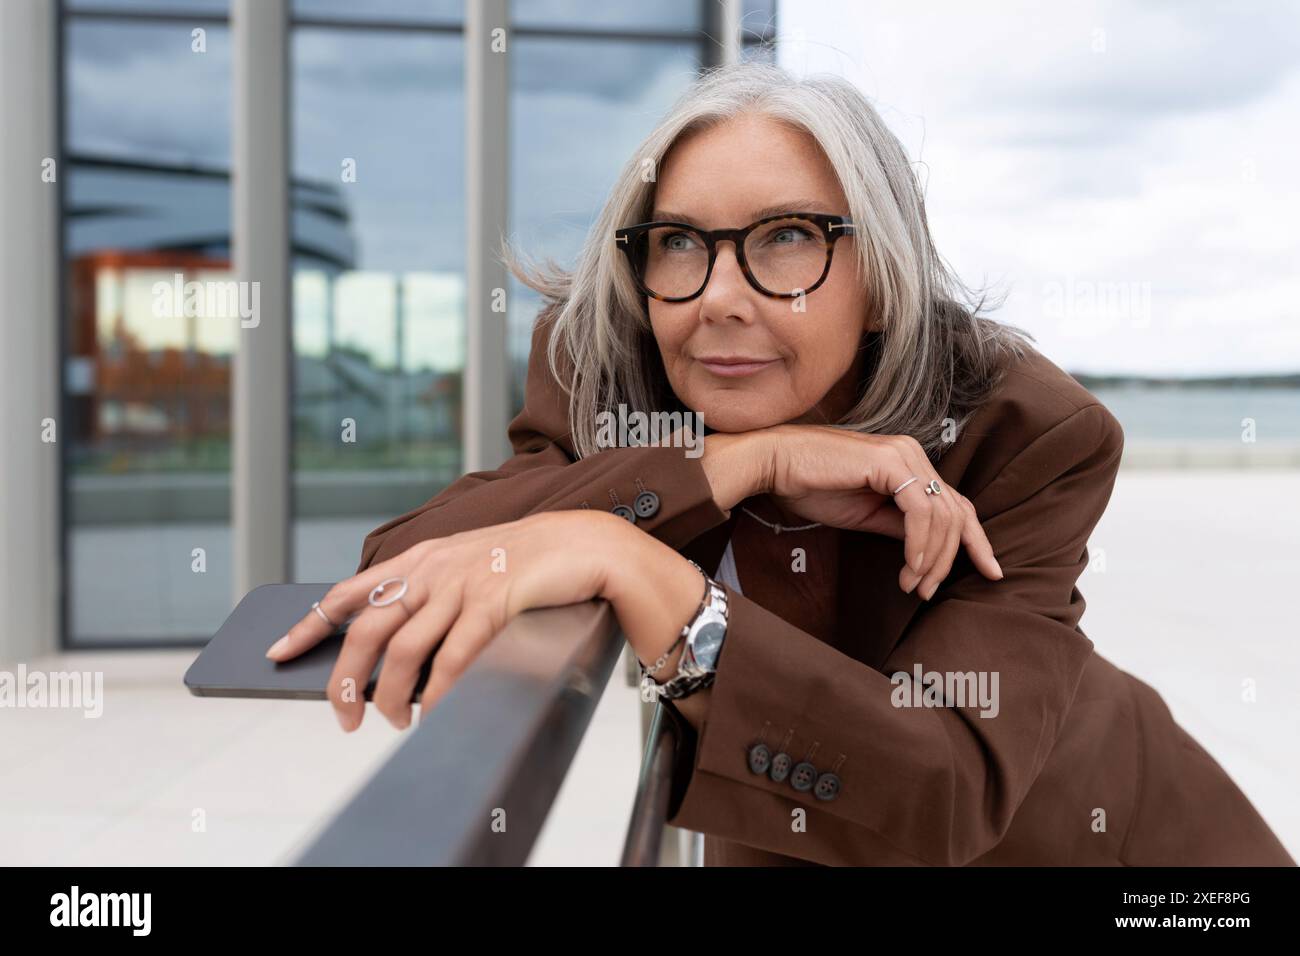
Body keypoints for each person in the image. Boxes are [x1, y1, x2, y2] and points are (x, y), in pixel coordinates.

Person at [267, 62, 1294, 867]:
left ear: (882, 280)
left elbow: (942, 785)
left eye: (789, 237)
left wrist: (646, 576)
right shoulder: (611, 371)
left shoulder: (1020, 428)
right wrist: (733, 464)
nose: (718, 295)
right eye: (677, 242)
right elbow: (411, 555)